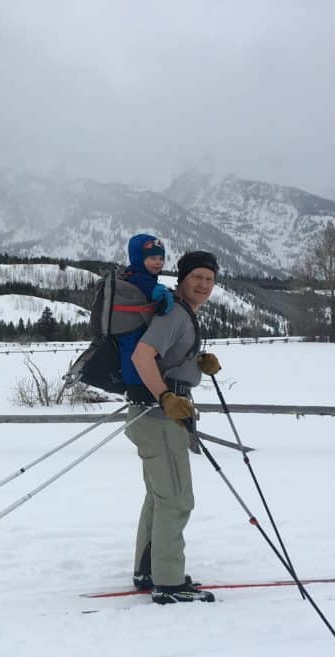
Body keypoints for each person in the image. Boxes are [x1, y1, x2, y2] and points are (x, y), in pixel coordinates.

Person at [125, 249, 222, 604]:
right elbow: (142, 355)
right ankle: (168, 581)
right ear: (181, 279)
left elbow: (164, 356)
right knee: (178, 498)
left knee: (160, 497)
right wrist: (166, 396)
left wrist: (197, 363)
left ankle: (148, 570)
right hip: (159, 417)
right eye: (197, 277)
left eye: (210, 279)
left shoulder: (182, 315)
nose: (204, 285)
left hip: (157, 415)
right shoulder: (175, 314)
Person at [115, 234, 175, 388]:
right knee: (133, 349)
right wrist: (163, 295)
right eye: (152, 258)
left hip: (133, 323)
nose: (158, 262)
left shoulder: (136, 275)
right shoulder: (140, 278)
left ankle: (139, 382)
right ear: (138, 259)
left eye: (161, 258)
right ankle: (137, 385)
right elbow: (153, 291)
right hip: (133, 325)